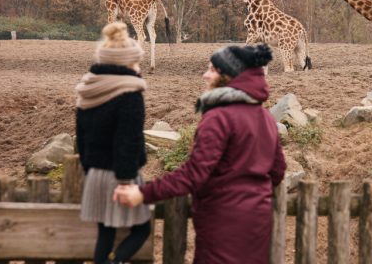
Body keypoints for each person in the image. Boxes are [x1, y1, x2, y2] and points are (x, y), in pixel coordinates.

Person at [114, 44, 287, 264]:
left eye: (212, 70)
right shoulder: (265, 118)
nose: (205, 75)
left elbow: (194, 174)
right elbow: (278, 171)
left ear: (227, 76)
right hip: (257, 221)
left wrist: (143, 193)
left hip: (223, 222)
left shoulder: (218, 118)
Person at [75, 22, 151, 264]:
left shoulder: (88, 89)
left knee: (105, 234)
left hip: (96, 175)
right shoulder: (130, 95)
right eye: (137, 62)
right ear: (127, 63)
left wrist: (90, 170)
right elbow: (127, 141)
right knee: (142, 230)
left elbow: (82, 137)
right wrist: (126, 181)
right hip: (121, 177)